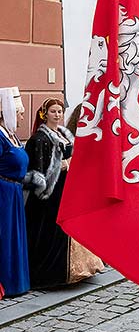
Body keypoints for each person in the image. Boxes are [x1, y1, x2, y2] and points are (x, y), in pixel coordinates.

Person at [24, 97, 104, 289]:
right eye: (53, 111)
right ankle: (52, 274)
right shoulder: (39, 138)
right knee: (52, 231)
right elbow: (37, 169)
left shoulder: (61, 133)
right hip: (50, 194)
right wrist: (62, 165)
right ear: (45, 114)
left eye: (60, 111)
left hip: (65, 188)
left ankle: (76, 270)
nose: (57, 115)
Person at [0, 87, 30, 298]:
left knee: (15, 236)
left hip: (14, 192)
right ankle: (7, 282)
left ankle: (17, 281)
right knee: (5, 236)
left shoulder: (11, 135)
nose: (21, 116)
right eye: (18, 112)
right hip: (3, 192)